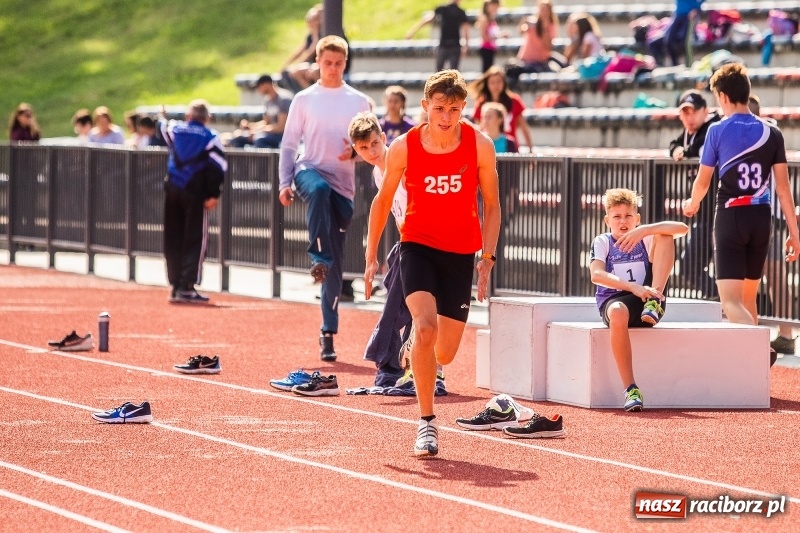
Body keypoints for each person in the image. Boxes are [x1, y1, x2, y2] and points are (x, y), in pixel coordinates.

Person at [364, 69, 501, 457]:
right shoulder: (404, 147)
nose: (446, 116)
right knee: (425, 327)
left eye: (454, 109)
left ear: (464, 109)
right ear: (425, 106)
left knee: (445, 353)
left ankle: (418, 346)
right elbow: (382, 199)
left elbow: (492, 206)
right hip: (417, 244)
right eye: (439, 108)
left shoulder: (480, 145)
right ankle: (427, 423)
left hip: (461, 251)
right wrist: (371, 255)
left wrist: (487, 258)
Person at [683, 64, 800, 368]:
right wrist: (794, 231)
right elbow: (784, 191)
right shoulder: (771, 131)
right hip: (762, 220)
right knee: (748, 298)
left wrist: (692, 204)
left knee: (731, 301)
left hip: (732, 217)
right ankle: (751, 370)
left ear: (722, 96)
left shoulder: (717, 130)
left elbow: (703, 180)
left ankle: (760, 349)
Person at [278, 35, 371, 363]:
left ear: (345, 63)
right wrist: (284, 182)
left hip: (343, 189)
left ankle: (327, 333)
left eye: (338, 63)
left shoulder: (359, 101)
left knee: (336, 268)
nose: (332, 68)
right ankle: (317, 256)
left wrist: (356, 153)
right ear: (317, 62)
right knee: (316, 190)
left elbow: (371, 146)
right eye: (327, 62)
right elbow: (289, 144)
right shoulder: (303, 99)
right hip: (309, 172)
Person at [590, 188, 689, 412]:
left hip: (650, 301)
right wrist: (632, 288)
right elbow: (596, 275)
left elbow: (682, 228)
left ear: (637, 218)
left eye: (628, 216)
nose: (623, 222)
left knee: (665, 235)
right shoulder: (603, 242)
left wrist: (645, 231)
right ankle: (631, 389)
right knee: (617, 312)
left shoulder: (644, 237)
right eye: (617, 217)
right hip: (618, 303)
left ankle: (656, 298)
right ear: (607, 220)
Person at [349, 112, 411, 386]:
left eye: (375, 143)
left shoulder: (403, 163)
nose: (371, 151)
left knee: (398, 308)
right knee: (399, 304)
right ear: (355, 149)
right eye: (363, 148)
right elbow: (387, 210)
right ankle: (396, 366)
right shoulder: (377, 172)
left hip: (422, 241)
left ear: (384, 138)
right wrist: (371, 257)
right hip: (405, 241)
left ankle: (392, 364)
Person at [161, 99, 227, 304]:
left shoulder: (175, 129)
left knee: (173, 238)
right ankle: (187, 286)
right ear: (207, 118)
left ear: (188, 116)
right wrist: (214, 194)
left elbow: (161, 126)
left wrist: (163, 114)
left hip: (172, 189)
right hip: (195, 192)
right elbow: (218, 167)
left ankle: (175, 284)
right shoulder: (211, 137)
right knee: (195, 239)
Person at [748, 95, 797, 356]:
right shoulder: (770, 134)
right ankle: (784, 333)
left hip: (765, 215)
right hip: (767, 215)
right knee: (769, 277)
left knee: (766, 276)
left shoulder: (762, 135)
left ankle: (778, 334)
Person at [668, 89, 721, 298]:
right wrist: (676, 150)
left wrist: (684, 152)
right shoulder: (690, 132)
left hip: (715, 210)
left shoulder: (712, 128)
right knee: (689, 265)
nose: (689, 118)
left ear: (705, 111)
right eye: (685, 113)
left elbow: (699, 148)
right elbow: (674, 144)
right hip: (703, 212)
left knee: (717, 267)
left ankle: (725, 303)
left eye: (693, 112)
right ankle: (720, 300)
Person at [469, 66, 533, 150]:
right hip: (487, 148)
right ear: (487, 84)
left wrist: (530, 149)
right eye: (492, 82)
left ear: (504, 83)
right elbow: (479, 129)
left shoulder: (514, 101)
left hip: (510, 148)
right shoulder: (481, 103)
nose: (495, 85)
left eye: (499, 82)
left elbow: (524, 128)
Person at [229, 74, 293, 149]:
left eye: (259, 87)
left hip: (285, 136)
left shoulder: (283, 100)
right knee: (238, 138)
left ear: (267, 84)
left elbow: (281, 127)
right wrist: (250, 126)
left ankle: (265, 161)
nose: (258, 90)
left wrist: (257, 132)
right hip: (272, 134)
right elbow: (266, 122)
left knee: (259, 139)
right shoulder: (268, 101)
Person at [405, 0, 471, 71]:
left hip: (453, 45)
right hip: (445, 45)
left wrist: (466, 45)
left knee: (451, 72)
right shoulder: (443, 9)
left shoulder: (459, 12)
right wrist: (413, 31)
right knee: (441, 71)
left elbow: (466, 29)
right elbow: (427, 19)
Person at [511, 0, 565, 76]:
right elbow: (522, 31)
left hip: (541, 62)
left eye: (546, 10)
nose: (544, 12)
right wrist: (524, 23)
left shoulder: (551, 26)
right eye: (542, 9)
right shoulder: (531, 22)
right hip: (525, 60)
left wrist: (544, 30)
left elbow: (548, 47)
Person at [281, 4, 323, 93]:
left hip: (318, 63)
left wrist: (315, 33)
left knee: (302, 71)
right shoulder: (309, 37)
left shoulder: (321, 35)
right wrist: (286, 64)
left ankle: (315, 93)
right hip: (311, 64)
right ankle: (307, 92)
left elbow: (313, 50)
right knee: (290, 72)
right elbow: (299, 51)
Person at [475, 0, 507, 73]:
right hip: (486, 48)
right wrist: (499, 36)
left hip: (490, 48)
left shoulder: (491, 19)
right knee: (486, 72)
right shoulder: (485, 19)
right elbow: (484, 37)